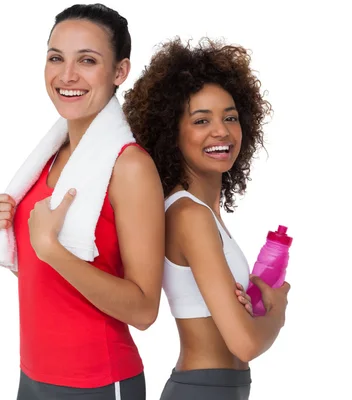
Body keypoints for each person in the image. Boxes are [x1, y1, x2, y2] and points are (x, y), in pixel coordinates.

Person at [0, 4, 165, 399]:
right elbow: (53, 281)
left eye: (87, 60)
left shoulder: (130, 167)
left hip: (98, 382)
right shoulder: (51, 154)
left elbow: (145, 310)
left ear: (119, 72)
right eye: (55, 58)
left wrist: (50, 249)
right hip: (32, 376)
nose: (67, 75)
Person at [123, 38, 291, 400]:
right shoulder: (189, 215)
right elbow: (244, 343)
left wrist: (253, 309)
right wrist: (276, 315)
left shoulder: (202, 212)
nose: (221, 131)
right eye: (202, 120)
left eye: (230, 117)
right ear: (172, 133)